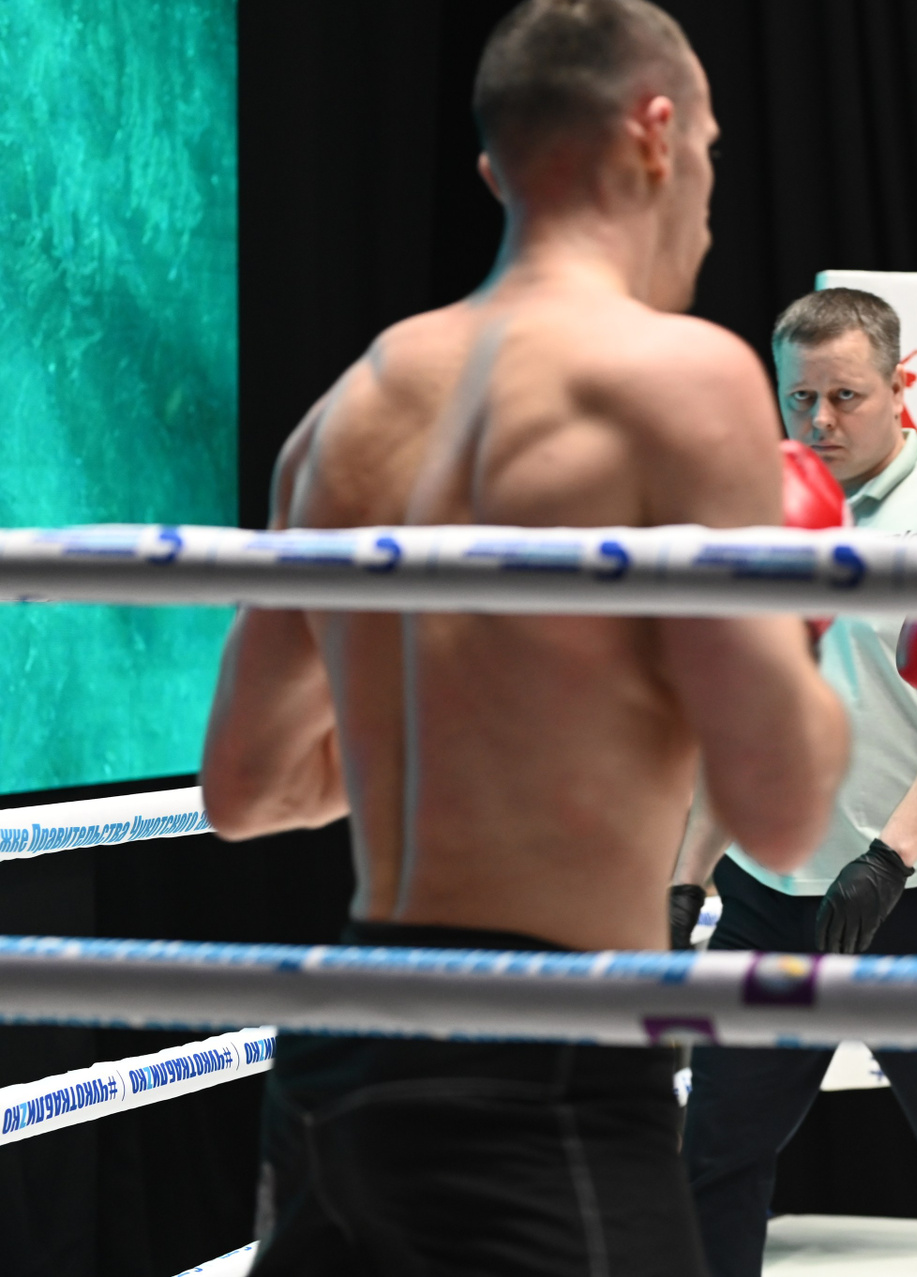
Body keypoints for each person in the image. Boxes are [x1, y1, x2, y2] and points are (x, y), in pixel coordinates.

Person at [197, 3, 848, 1273]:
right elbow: (778, 811)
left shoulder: (348, 409)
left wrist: (472, 733)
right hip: (543, 1053)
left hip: (342, 1044)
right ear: (654, 133)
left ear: (501, 168)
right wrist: (799, 610)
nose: (713, 202)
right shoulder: (681, 378)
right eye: (711, 148)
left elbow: (246, 787)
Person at [676, 288, 917, 1277]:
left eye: (844, 395)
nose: (820, 420)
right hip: (772, 890)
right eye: (799, 397)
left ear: (901, 385)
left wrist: (891, 857)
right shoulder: (758, 514)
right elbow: (744, 711)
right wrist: (686, 874)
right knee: (716, 1145)